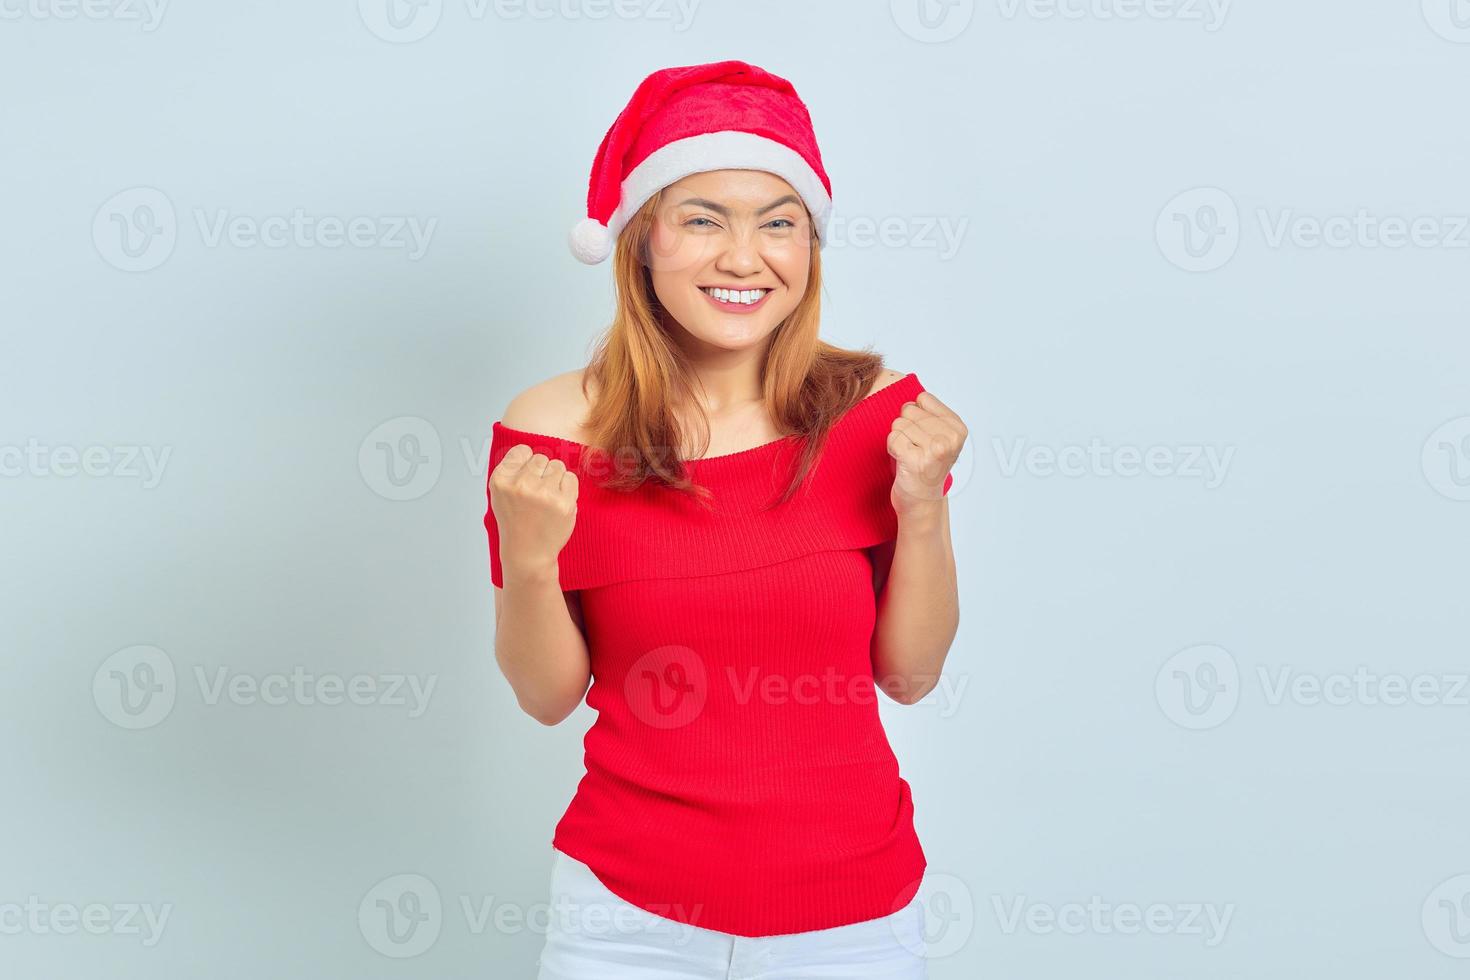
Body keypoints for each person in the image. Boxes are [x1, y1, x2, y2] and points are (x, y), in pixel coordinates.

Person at [483, 59, 967, 979]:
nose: (744, 257)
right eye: (703, 220)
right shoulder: (545, 436)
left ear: (809, 249)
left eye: (778, 223)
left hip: (854, 920)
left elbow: (910, 676)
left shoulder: (882, 417)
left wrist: (923, 510)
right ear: (641, 242)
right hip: (624, 923)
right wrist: (532, 560)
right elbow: (546, 697)